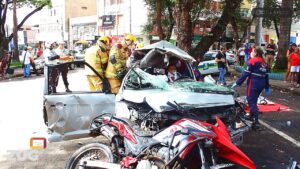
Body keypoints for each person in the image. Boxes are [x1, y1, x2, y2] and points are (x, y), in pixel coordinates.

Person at [231, 47, 270, 130]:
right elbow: (266, 75)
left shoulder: (253, 61)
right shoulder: (264, 62)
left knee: (251, 100)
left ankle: (256, 122)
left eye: (253, 51)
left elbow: (246, 74)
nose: (251, 52)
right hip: (261, 83)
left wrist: (237, 83)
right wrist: (266, 87)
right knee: (254, 100)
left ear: (256, 53)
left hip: (254, 83)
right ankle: (252, 116)